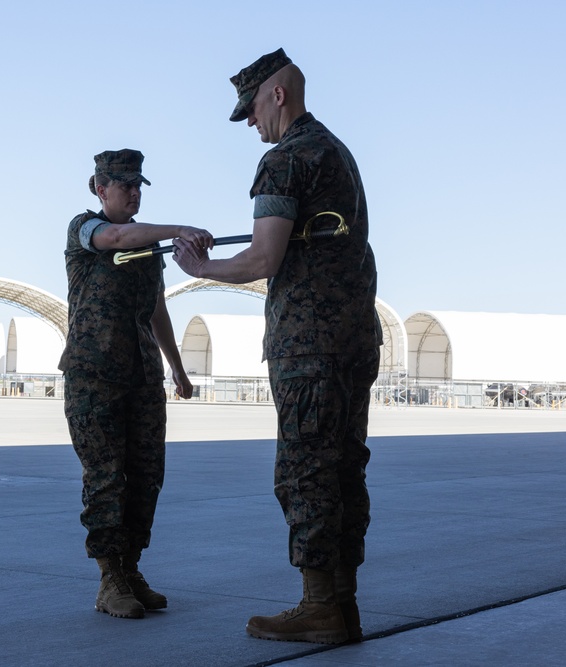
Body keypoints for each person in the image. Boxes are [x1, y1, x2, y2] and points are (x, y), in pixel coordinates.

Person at [173, 49, 382, 644]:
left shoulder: (285, 160)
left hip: (307, 343)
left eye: (251, 109)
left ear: (277, 96)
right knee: (343, 467)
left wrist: (202, 266)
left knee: (306, 470)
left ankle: (319, 607)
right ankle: (342, 604)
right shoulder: (337, 153)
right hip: (351, 336)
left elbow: (265, 258)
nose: (249, 123)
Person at [59, 149, 213, 619]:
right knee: (106, 476)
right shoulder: (85, 229)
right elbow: (116, 236)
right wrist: (179, 230)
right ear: (99, 188)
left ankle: (130, 568)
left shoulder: (149, 250)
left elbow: (157, 308)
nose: (132, 191)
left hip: (142, 375)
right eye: (123, 184)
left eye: (138, 184)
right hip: (95, 374)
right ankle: (110, 579)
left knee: (146, 477)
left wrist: (178, 368)